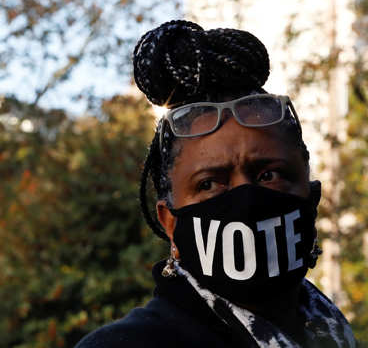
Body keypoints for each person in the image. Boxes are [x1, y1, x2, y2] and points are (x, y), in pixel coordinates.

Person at [75, 20, 357, 347]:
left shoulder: (328, 328)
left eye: (269, 175)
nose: (246, 198)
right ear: (169, 222)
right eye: (209, 183)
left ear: (311, 197)